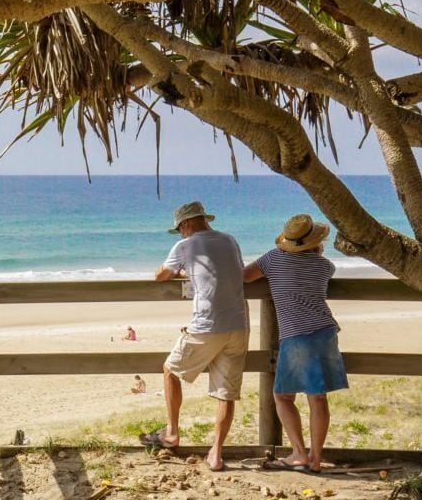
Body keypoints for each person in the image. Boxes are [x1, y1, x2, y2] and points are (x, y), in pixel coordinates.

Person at [140, 200, 249, 471]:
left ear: (187, 224)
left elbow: (160, 276)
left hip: (207, 323)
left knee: (170, 370)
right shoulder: (230, 240)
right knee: (226, 392)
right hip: (239, 323)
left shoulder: (185, 246)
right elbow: (235, 273)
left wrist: (177, 270)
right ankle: (216, 454)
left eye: (179, 229)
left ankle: (172, 432)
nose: (180, 234)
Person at [243, 214, 347, 473]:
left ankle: (299, 453)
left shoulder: (273, 259)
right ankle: (315, 457)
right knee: (318, 398)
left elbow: (244, 276)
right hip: (325, 332)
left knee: (282, 396)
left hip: (296, 334)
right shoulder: (325, 266)